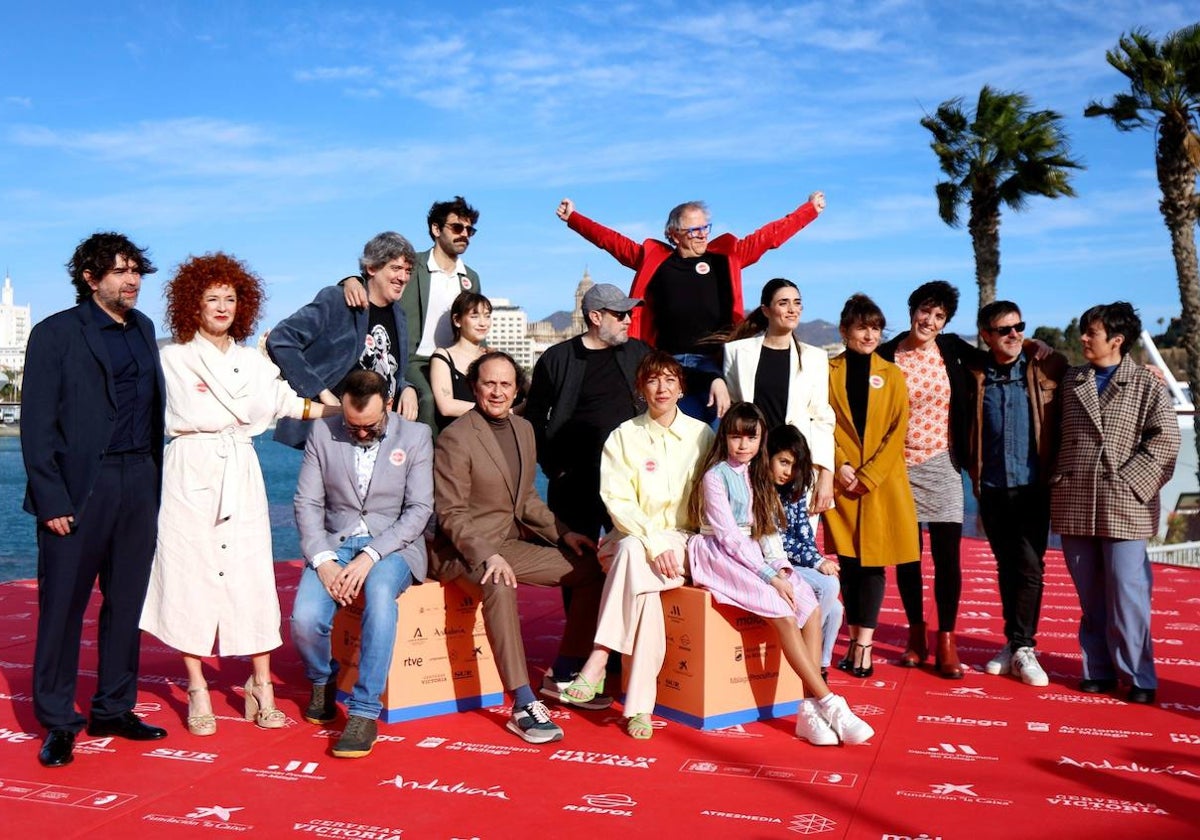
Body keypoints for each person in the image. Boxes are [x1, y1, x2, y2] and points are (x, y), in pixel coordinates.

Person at [139, 253, 340, 737]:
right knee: (188, 574)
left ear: (242, 304)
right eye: (212, 298)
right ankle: (197, 688)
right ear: (193, 304)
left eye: (230, 298)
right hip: (189, 470)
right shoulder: (171, 358)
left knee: (251, 576)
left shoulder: (254, 362)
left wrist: (339, 410)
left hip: (241, 470)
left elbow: (287, 403)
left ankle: (261, 685)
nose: (222, 307)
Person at [22, 232, 168, 767]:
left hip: (139, 481)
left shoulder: (146, 329)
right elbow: (37, 427)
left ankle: (113, 706)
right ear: (90, 277)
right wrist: (51, 498)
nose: (132, 280)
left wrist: (152, 484)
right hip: (79, 490)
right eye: (120, 271)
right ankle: (59, 720)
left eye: (136, 271)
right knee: (62, 610)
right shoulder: (55, 333)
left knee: (126, 604)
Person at [430, 351, 602, 744]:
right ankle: (522, 702)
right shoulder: (455, 438)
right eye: (489, 383)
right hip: (463, 552)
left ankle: (562, 673)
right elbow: (451, 512)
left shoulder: (524, 429)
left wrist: (563, 533)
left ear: (516, 389)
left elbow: (526, 502)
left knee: (591, 569)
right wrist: (487, 555)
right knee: (499, 584)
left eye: (506, 384)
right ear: (474, 387)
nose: (497, 391)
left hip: (508, 543)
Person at [687, 403, 873, 746]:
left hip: (756, 553)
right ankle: (831, 703)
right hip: (720, 554)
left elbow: (769, 531)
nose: (743, 444)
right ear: (725, 437)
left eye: (751, 437)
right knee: (785, 615)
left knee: (810, 606)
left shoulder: (758, 476)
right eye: (735, 436)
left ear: (761, 439)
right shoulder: (715, 476)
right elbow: (728, 535)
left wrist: (782, 570)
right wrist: (768, 575)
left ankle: (807, 710)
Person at [556, 192, 826, 423]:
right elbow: (611, 242)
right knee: (672, 435)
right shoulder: (654, 260)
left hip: (715, 364)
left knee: (715, 439)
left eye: (705, 228)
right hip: (668, 365)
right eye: (693, 230)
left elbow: (768, 238)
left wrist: (809, 211)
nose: (702, 236)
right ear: (673, 234)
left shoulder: (725, 259)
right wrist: (575, 219)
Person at [555, 352, 712, 740]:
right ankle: (639, 707)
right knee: (630, 555)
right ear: (641, 388)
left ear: (681, 387)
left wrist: (666, 545)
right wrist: (653, 542)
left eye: (670, 380)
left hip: (681, 543)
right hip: (630, 536)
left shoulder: (702, 436)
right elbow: (618, 501)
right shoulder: (623, 436)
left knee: (640, 590)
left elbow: (709, 500)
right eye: (653, 380)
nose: (662, 388)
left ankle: (599, 658)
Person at [291, 370, 434, 758]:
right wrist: (322, 561)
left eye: (369, 426)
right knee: (304, 620)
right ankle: (322, 678)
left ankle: (364, 710)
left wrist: (371, 555)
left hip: (393, 545)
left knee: (379, 590)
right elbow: (307, 504)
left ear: (387, 404)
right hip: (334, 542)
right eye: (353, 427)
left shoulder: (416, 436)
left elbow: (419, 509)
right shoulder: (323, 432)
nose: (361, 433)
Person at [1051, 302, 1179, 704]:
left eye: (1092, 333)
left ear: (1117, 341)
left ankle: (1139, 674)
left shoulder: (1147, 383)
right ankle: (1099, 670)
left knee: (1128, 593)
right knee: (1090, 596)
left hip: (1125, 504)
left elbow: (1166, 441)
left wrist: (1130, 483)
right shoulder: (1073, 379)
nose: (1084, 339)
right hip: (1076, 499)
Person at [967, 301, 1067, 687]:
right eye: (1004, 329)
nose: (1014, 334)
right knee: (1008, 566)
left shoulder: (1045, 365)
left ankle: (1024, 645)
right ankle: (1013, 643)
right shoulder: (975, 372)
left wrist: (1147, 373)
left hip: (1032, 486)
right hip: (991, 488)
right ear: (987, 335)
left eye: (1019, 327)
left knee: (1030, 566)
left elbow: (1086, 377)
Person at [877, 281, 973, 678]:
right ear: (911, 308)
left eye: (939, 317)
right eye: (925, 311)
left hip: (943, 465)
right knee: (908, 558)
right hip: (897, 469)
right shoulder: (885, 354)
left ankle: (946, 640)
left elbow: (1001, 359)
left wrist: (1041, 350)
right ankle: (916, 636)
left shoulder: (951, 350)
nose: (929, 321)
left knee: (948, 559)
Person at [824, 294, 919, 678]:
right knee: (848, 565)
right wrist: (840, 463)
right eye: (862, 327)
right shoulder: (827, 370)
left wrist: (869, 475)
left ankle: (864, 644)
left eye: (876, 328)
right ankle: (848, 639)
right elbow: (819, 422)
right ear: (845, 330)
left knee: (874, 566)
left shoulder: (892, 374)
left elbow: (898, 433)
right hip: (842, 483)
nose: (869, 334)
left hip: (880, 485)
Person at [268, 232, 418, 448]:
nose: (403, 277)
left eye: (408, 271)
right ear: (372, 267)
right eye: (396, 268)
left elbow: (390, 369)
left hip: (379, 435)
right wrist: (321, 393)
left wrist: (408, 388)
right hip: (332, 430)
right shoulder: (338, 300)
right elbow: (281, 340)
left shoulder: (400, 315)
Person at [526, 283, 651, 542]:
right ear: (595, 317)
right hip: (575, 480)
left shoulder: (639, 353)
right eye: (619, 315)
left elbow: (667, 391)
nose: (628, 320)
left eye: (628, 314)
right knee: (577, 565)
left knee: (634, 551)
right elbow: (534, 418)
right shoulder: (556, 358)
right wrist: (553, 467)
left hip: (629, 476)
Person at [343, 197, 482, 430]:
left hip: (455, 361)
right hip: (416, 359)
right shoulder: (412, 265)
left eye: (470, 230)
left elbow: (476, 320)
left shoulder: (471, 277)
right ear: (436, 229)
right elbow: (375, 270)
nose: (465, 234)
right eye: (458, 227)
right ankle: (425, 461)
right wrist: (350, 280)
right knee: (427, 400)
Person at [724, 278, 836, 514]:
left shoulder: (814, 358)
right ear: (766, 310)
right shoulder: (737, 352)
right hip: (750, 463)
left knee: (795, 545)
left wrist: (826, 473)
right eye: (783, 303)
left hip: (794, 465)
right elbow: (732, 410)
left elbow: (822, 418)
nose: (792, 309)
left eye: (797, 303)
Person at [767, 424, 844, 676]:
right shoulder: (761, 490)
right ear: (768, 456)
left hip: (796, 562)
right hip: (774, 563)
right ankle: (801, 656)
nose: (787, 472)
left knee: (836, 610)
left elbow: (803, 534)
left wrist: (816, 560)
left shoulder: (795, 490)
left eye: (793, 465)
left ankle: (819, 667)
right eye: (783, 462)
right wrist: (817, 561)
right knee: (829, 586)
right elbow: (778, 541)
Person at [429, 291, 492, 431]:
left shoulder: (492, 357)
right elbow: (446, 406)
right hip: (458, 439)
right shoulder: (443, 356)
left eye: (487, 316)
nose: (483, 323)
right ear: (457, 320)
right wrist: (495, 410)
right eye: (474, 316)